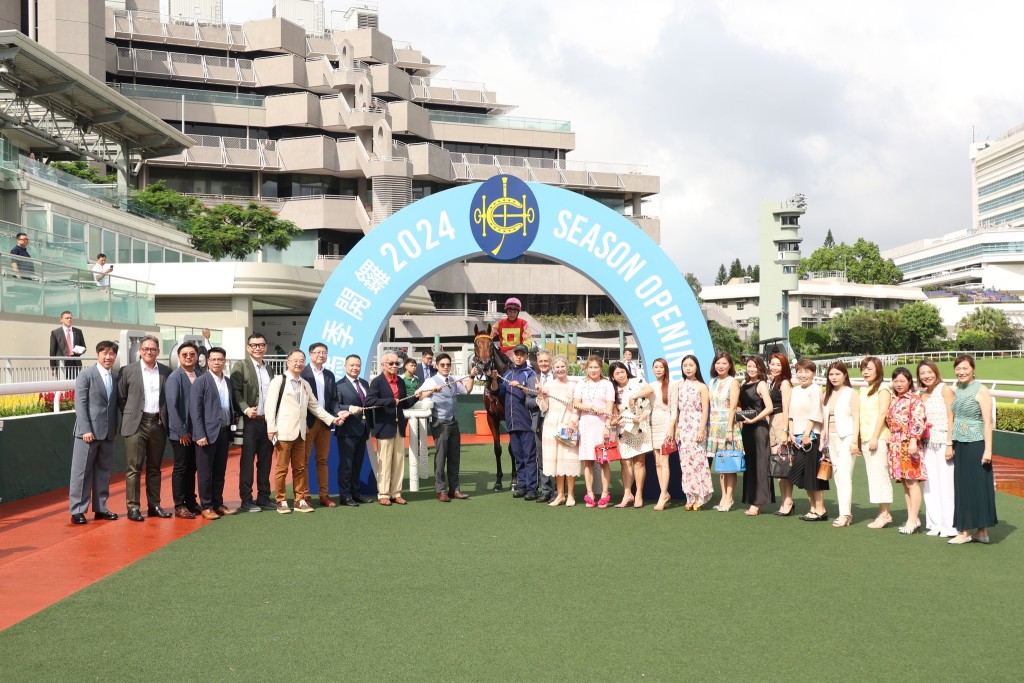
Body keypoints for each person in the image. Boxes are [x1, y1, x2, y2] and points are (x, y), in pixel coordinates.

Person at [266, 350, 343, 514]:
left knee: (300, 468)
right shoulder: (279, 381)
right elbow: (270, 407)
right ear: (287, 362)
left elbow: (315, 407)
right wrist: (271, 428)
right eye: (295, 360)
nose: (298, 364)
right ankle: (281, 500)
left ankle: (300, 500)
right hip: (283, 432)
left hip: (301, 433)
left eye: (301, 361)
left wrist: (332, 419)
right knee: (281, 469)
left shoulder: (305, 383)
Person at [118, 334, 172, 522]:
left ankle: (154, 505)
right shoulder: (128, 371)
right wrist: (132, 414)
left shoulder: (166, 371)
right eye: (145, 349)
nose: (149, 352)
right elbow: (121, 397)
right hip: (136, 424)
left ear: (158, 351)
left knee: (155, 467)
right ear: (140, 351)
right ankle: (133, 508)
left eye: (153, 349)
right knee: (134, 468)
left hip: (158, 422)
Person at [68, 340, 120, 525]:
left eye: (111, 353)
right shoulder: (86, 375)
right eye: (104, 353)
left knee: (104, 472)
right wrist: (85, 430)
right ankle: (78, 510)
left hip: (107, 433)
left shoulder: (115, 377)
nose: (108, 357)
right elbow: (80, 405)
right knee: (81, 472)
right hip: (87, 433)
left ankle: (101, 508)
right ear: (98, 354)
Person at [948, 354, 997, 545]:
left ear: (973, 369)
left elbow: (988, 422)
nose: (961, 372)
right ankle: (976, 531)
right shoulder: (958, 388)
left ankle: (970, 531)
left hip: (976, 444)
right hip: (960, 442)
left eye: (965, 368)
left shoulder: (982, 390)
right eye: (958, 368)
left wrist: (988, 450)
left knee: (976, 487)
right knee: (964, 487)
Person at [190, 347, 238, 519]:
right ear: (208, 361)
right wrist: (200, 434)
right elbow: (195, 411)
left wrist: (231, 433)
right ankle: (206, 506)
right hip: (207, 435)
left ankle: (218, 503)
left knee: (219, 471)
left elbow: (230, 408)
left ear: (224, 361)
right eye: (213, 359)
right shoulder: (201, 381)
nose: (217, 362)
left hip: (224, 433)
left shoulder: (228, 381)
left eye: (220, 359)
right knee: (205, 472)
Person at [417, 352, 474, 501]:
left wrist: (472, 376)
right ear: (436, 366)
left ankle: (454, 490)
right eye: (442, 365)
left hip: (453, 422)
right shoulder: (431, 380)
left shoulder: (453, 380)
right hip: (439, 422)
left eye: (448, 365)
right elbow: (419, 395)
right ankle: (440, 490)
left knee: (455, 457)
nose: (446, 367)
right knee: (441, 457)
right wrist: (432, 390)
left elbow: (467, 391)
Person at [232, 333, 276, 512]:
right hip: (250, 422)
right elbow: (235, 391)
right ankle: (246, 499)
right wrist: (245, 408)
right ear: (247, 347)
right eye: (254, 345)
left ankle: (264, 497)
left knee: (265, 462)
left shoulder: (269, 368)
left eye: (261, 345)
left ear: (266, 347)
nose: (257, 348)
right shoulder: (241, 366)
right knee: (247, 462)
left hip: (267, 422)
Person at [300, 342, 345, 507]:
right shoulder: (302, 373)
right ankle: (305, 496)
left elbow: (333, 399)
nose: (321, 355)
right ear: (310, 354)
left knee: (322, 460)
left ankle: (323, 495)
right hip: (307, 422)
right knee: (303, 461)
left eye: (324, 352)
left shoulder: (329, 375)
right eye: (318, 352)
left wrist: (337, 414)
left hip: (325, 422)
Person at [885, 367, 928, 534]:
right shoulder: (895, 399)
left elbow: (918, 421)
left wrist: (913, 440)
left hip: (908, 444)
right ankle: (912, 518)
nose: (898, 384)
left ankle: (913, 519)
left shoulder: (914, 400)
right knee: (904, 482)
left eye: (902, 381)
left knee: (911, 481)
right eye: (896, 381)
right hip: (895, 445)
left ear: (910, 382)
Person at [917, 360, 956, 537]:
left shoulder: (945, 390)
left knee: (947, 485)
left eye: (929, 372)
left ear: (936, 371)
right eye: (922, 373)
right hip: (927, 445)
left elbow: (952, 417)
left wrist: (950, 444)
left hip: (943, 444)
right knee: (929, 485)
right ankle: (935, 524)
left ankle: (950, 526)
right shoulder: (922, 395)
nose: (926, 376)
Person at [364, 351, 409, 505]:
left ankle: (396, 493)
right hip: (384, 426)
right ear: (383, 365)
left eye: (397, 363)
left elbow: (405, 403)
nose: (395, 366)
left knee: (398, 461)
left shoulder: (401, 382)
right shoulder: (377, 382)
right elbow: (369, 401)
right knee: (384, 461)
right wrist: (389, 401)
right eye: (391, 363)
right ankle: (383, 493)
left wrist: (418, 395)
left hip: (399, 426)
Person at [669, 355, 714, 511]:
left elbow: (705, 410)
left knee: (698, 461)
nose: (688, 368)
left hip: (696, 425)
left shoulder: (702, 386)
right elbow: (676, 409)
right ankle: (689, 496)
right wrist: (676, 429)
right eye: (685, 365)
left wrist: (702, 429)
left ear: (697, 367)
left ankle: (701, 496)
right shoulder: (679, 385)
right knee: (685, 463)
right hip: (683, 425)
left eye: (691, 365)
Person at [569, 356, 614, 508]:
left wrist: (607, 426)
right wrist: (591, 408)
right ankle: (589, 493)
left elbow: (609, 408)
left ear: (601, 369)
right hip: (586, 425)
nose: (593, 370)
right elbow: (576, 403)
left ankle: (605, 493)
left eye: (596, 367)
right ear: (586, 368)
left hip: (602, 426)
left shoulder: (607, 384)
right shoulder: (581, 384)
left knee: (603, 462)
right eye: (590, 367)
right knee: (588, 461)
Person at [633, 358, 677, 510]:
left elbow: (674, 409)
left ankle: (663, 494)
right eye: (656, 367)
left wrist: (671, 428)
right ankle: (664, 493)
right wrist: (641, 417)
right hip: (653, 425)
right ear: (652, 369)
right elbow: (648, 408)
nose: (658, 369)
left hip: (666, 424)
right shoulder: (650, 386)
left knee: (664, 462)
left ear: (665, 369)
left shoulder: (672, 385)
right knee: (657, 462)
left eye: (661, 367)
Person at [535, 355, 580, 506]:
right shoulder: (548, 385)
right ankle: (560, 494)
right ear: (553, 369)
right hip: (551, 425)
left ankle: (571, 495)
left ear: (567, 367)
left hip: (568, 425)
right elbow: (543, 408)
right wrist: (541, 395)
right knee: (556, 461)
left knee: (569, 460)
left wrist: (573, 422)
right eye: (557, 367)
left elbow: (576, 407)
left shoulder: (573, 386)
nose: (560, 370)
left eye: (562, 366)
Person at [166, 342, 203, 519]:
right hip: (181, 433)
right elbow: (172, 408)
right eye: (185, 354)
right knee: (181, 468)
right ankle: (179, 505)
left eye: (192, 354)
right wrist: (182, 432)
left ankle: (191, 501)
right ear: (179, 357)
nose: (188, 357)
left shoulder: (200, 375)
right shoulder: (175, 378)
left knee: (193, 467)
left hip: (197, 433)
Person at [788, 359, 828, 521]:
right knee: (803, 474)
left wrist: (806, 434)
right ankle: (813, 507)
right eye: (800, 371)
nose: (803, 375)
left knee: (812, 474)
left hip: (810, 438)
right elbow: (790, 414)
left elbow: (814, 413)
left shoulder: (815, 389)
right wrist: (791, 433)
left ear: (813, 373)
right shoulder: (796, 390)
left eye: (807, 371)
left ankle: (820, 509)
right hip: (797, 437)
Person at [497, 344, 539, 500]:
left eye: (522, 354)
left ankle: (532, 489)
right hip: (511, 423)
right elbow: (498, 391)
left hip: (527, 422)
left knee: (529, 456)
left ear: (527, 356)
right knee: (518, 456)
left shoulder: (531, 374)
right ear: (513, 356)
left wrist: (521, 387)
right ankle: (521, 486)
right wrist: (494, 379)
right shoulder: (507, 374)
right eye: (517, 354)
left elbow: (534, 394)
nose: (519, 356)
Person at [822, 361, 860, 528]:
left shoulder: (851, 393)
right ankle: (844, 512)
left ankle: (845, 514)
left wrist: (854, 441)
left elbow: (856, 418)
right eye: (831, 374)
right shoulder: (827, 394)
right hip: (831, 438)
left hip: (847, 437)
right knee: (837, 475)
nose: (834, 377)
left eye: (837, 374)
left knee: (844, 475)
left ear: (845, 375)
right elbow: (824, 420)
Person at [859, 357, 895, 529]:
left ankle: (885, 513)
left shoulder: (883, 389)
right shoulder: (865, 390)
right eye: (864, 369)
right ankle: (882, 512)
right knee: (873, 476)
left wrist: (874, 437)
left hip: (878, 438)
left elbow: (882, 414)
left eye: (869, 369)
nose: (865, 372)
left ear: (878, 370)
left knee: (880, 475)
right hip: (866, 438)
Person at [334, 354, 373, 506]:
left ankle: (356, 494)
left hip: (363, 430)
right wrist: (350, 408)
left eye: (357, 365)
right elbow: (336, 406)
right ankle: (345, 496)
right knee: (346, 465)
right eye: (352, 365)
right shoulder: (339, 385)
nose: (355, 368)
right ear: (345, 366)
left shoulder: (364, 383)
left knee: (357, 464)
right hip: (347, 431)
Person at [611, 360, 651, 508]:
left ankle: (639, 494)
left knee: (639, 462)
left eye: (622, 371)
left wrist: (634, 396)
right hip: (623, 430)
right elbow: (612, 409)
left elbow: (649, 390)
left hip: (639, 426)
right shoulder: (613, 389)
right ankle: (627, 494)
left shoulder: (636, 381)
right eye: (617, 373)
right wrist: (615, 421)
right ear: (613, 377)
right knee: (625, 462)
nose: (621, 375)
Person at [739, 355, 775, 516]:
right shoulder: (743, 383)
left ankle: (758, 503)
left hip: (759, 428)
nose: (751, 369)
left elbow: (769, 407)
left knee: (760, 465)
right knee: (750, 464)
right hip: (746, 429)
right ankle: (752, 498)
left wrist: (755, 419)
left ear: (760, 368)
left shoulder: (761, 384)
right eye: (749, 366)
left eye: (754, 366)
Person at [708, 351, 742, 512]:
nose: (720, 366)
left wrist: (729, 428)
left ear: (730, 365)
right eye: (718, 363)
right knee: (721, 465)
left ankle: (729, 498)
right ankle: (723, 497)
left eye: (724, 363)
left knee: (730, 464)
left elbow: (733, 407)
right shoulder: (712, 382)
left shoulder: (733, 382)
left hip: (728, 426)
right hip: (715, 426)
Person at [767, 353, 795, 515]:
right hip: (771, 424)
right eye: (772, 364)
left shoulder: (784, 383)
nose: (774, 367)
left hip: (780, 423)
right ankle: (784, 500)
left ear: (784, 366)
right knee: (778, 467)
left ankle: (788, 500)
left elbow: (786, 408)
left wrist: (785, 431)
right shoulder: (772, 382)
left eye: (778, 364)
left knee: (783, 464)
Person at [528, 350, 556, 503]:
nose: (544, 364)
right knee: (542, 456)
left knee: (557, 456)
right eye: (541, 361)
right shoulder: (533, 380)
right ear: (537, 363)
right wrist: (539, 398)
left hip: (556, 422)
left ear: (550, 362)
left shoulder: (558, 378)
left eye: (546, 361)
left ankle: (559, 491)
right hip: (539, 423)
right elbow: (528, 402)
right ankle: (546, 490)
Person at [401, 357, 430, 488]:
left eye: (414, 366)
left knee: (420, 434)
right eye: (411, 365)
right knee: (402, 431)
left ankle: (421, 463)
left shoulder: (417, 379)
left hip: (416, 407)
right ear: (406, 366)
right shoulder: (402, 379)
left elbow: (420, 394)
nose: (413, 367)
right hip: (405, 408)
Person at [49, 311, 86, 378]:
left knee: (75, 385)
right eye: (67, 318)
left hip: (75, 363)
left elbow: (83, 347)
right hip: (61, 364)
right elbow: (52, 351)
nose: (69, 320)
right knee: (62, 386)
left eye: (70, 318)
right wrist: (53, 368)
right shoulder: (55, 333)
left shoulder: (78, 332)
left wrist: (78, 351)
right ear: (61, 320)